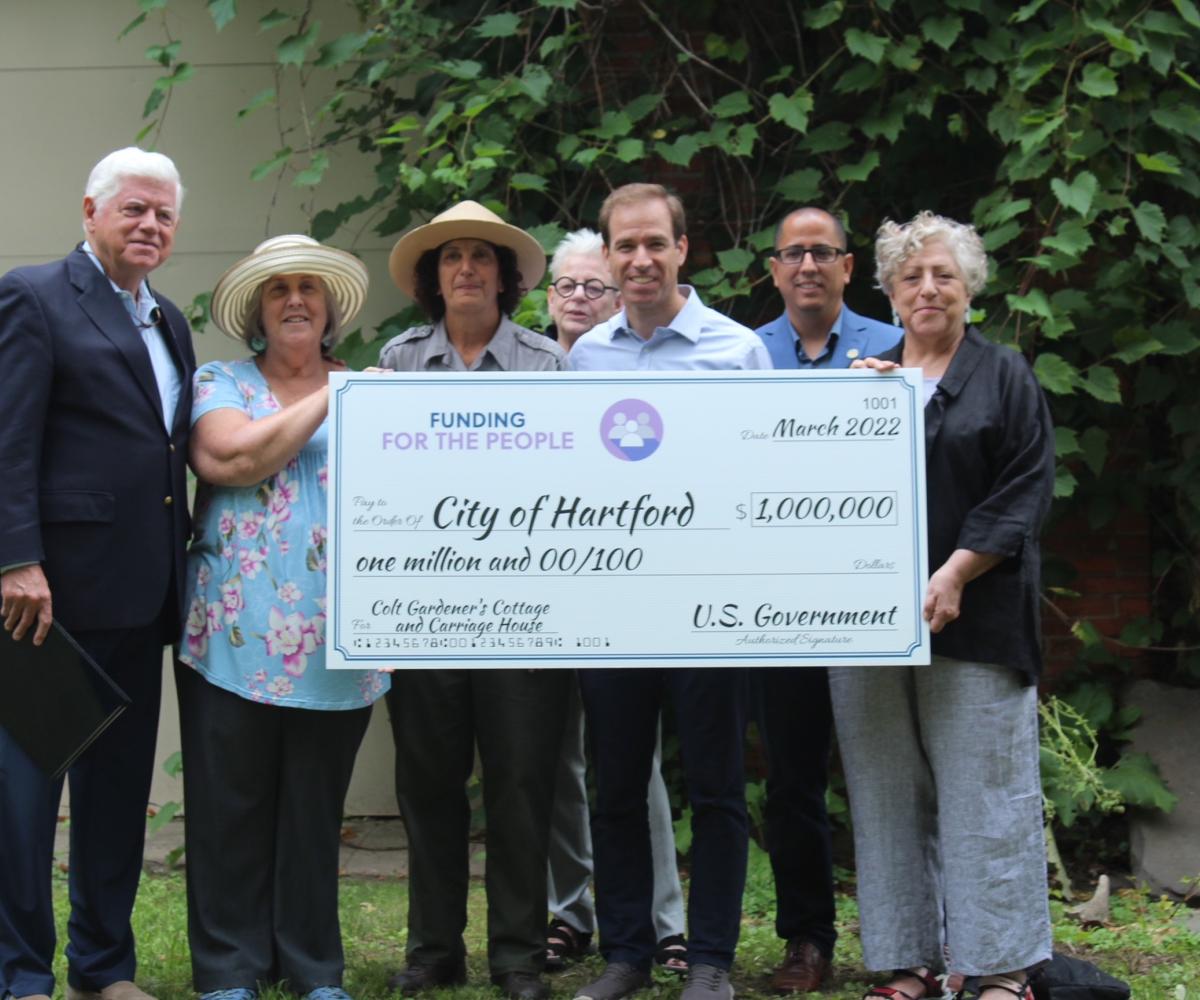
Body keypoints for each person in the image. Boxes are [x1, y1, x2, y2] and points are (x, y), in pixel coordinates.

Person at [833, 211, 1054, 1000]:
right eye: (912, 277)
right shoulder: (862, 381)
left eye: (944, 276)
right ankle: (909, 964)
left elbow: (1024, 490)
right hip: (866, 632)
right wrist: (841, 425)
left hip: (977, 624)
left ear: (969, 290)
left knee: (983, 796)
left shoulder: (1004, 377)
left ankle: (1001, 970)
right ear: (889, 293)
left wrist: (957, 571)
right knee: (885, 793)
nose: (928, 289)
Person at [569, 183, 771, 1000]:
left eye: (656, 243)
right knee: (615, 785)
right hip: (616, 608)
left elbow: (763, 479)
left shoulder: (737, 350)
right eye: (625, 246)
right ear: (610, 256)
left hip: (709, 606)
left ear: (684, 249)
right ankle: (626, 954)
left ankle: (713, 960)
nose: (641, 259)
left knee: (718, 789)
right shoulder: (588, 357)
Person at [0, 147, 193, 1000]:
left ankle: (104, 969)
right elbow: (7, 438)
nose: (149, 225)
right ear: (91, 211)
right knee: (25, 800)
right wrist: (14, 558)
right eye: (133, 209)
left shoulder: (173, 321)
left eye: (163, 213)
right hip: (49, 598)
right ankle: (20, 973)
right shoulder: (35, 295)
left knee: (117, 796)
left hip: (143, 592)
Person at [174, 234, 383, 1000]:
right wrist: (340, 393)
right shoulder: (220, 381)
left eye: (308, 288)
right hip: (231, 629)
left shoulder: (374, 391)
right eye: (277, 290)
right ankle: (229, 968)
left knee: (313, 809)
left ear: (329, 309)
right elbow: (230, 461)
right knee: (230, 805)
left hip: (340, 634)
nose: (295, 299)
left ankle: (311, 967)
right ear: (257, 314)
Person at [377, 200, 572, 1000]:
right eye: (451, 257)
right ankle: (434, 949)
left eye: (481, 258)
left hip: (524, 614)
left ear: (504, 276)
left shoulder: (546, 363)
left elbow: (567, 487)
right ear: (434, 276)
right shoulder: (395, 362)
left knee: (522, 784)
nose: (466, 269)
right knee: (428, 783)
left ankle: (518, 955)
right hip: (424, 613)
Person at [751, 207, 900, 994]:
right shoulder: (745, 356)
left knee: (893, 773)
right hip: (780, 605)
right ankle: (807, 941)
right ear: (773, 271)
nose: (807, 264)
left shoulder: (894, 347)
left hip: (874, 597)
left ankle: (909, 939)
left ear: (848, 267)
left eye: (822, 251)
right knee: (793, 783)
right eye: (792, 253)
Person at [542, 230, 688, 975]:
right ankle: (571, 913)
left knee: (635, 763)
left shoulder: (628, 367)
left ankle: (666, 920)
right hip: (542, 591)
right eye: (564, 286)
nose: (577, 299)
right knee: (561, 756)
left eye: (593, 287)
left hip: (627, 588)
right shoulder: (529, 371)